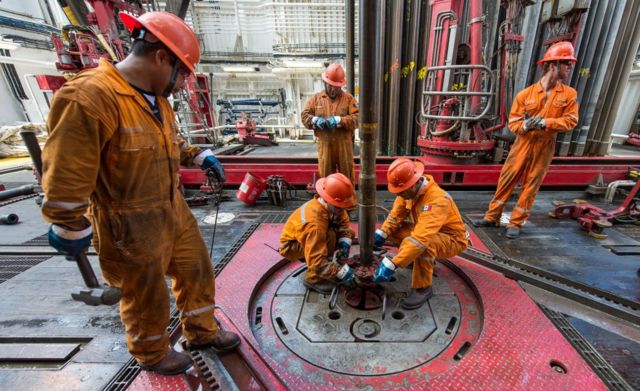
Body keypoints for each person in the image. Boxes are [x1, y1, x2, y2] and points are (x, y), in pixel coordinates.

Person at [41, 11, 239, 376]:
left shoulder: (154, 98)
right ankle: (151, 352)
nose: (182, 85)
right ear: (162, 57)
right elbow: (65, 175)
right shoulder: (90, 98)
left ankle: (201, 332)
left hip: (171, 209)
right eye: (182, 74)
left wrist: (199, 154)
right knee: (145, 292)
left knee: (196, 270)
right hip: (128, 221)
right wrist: (68, 224)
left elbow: (165, 143)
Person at [473, 41, 579, 238]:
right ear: (552, 65)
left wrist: (545, 123)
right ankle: (491, 217)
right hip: (522, 144)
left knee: (531, 184)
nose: (569, 67)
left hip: (544, 146)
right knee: (506, 180)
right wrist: (525, 125)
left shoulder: (569, 94)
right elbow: (513, 123)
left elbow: (571, 121)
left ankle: (516, 223)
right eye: (566, 63)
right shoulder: (526, 94)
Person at [372, 158, 468, 310]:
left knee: (424, 246)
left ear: (415, 183)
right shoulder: (407, 191)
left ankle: (423, 288)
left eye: (402, 192)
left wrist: (394, 263)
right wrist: (382, 233)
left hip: (452, 240)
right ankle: (412, 260)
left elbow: (420, 239)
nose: (400, 196)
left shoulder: (436, 200)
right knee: (395, 230)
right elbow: (395, 216)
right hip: (428, 232)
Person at [279, 173, 357, 294]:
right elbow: (317, 263)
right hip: (291, 246)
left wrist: (344, 244)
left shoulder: (331, 206)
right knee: (329, 236)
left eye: (343, 207)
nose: (342, 210)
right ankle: (314, 279)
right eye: (339, 207)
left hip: (310, 237)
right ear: (328, 200)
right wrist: (340, 272)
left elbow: (344, 224)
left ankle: (326, 264)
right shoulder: (315, 225)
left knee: (343, 232)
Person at [301, 63, 359, 184]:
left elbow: (358, 118)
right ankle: (327, 201)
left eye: (337, 87)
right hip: (325, 145)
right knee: (326, 180)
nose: (333, 89)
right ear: (325, 82)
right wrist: (315, 120)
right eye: (331, 85)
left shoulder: (349, 99)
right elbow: (304, 116)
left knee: (347, 178)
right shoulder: (315, 99)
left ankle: (347, 201)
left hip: (344, 146)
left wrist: (340, 120)